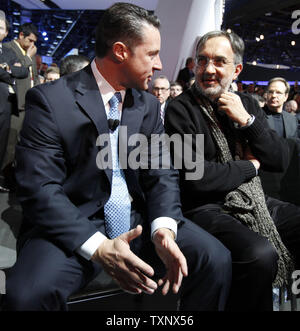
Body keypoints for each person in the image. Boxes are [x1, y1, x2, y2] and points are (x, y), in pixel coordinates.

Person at [3, 3, 231, 311]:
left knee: (214, 258)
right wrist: (98, 247)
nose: (160, 64)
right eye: (152, 54)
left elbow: (161, 173)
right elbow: (40, 188)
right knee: (27, 296)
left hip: (140, 223)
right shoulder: (50, 101)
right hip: (78, 223)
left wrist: (163, 228)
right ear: (121, 51)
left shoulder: (147, 106)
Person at [165, 30, 300, 311]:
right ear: (194, 65)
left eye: (219, 61)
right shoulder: (180, 109)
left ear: (236, 69)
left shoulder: (248, 104)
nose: (208, 69)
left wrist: (249, 121)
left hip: (253, 201)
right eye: (202, 61)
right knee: (260, 254)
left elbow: (278, 160)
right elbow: (197, 177)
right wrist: (249, 166)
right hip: (204, 207)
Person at [0, 14, 28, 192]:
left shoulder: (8, 52)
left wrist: (7, 69)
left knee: (2, 144)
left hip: (6, 106)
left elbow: (23, 71)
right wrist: (10, 72)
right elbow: (14, 72)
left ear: (6, 32)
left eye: (1, 28)